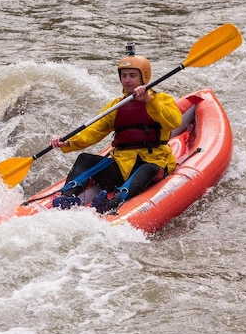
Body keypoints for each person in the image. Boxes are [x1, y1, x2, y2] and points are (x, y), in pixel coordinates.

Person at [50, 49, 182, 214]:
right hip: (121, 165)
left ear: (144, 77)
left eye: (132, 75)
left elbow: (174, 121)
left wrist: (149, 101)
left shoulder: (161, 100)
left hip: (154, 162)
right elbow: (93, 130)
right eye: (124, 75)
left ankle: (115, 201)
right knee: (85, 159)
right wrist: (68, 142)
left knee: (149, 168)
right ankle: (68, 196)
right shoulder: (116, 106)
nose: (127, 80)